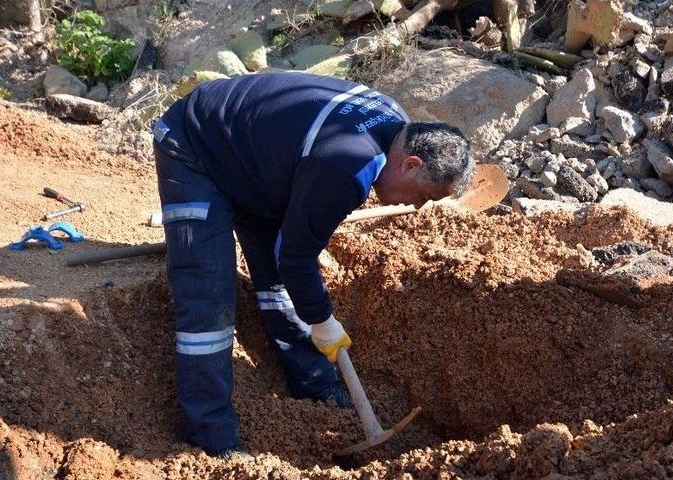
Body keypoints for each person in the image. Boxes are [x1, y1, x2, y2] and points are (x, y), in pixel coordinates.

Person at [152, 71, 474, 458]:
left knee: (278, 284)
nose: (417, 206)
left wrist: (316, 313)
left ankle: (317, 387)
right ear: (410, 164)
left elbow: (291, 254)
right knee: (208, 295)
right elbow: (298, 258)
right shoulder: (347, 168)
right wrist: (323, 322)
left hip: (259, 167)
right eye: (424, 194)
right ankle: (212, 436)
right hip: (195, 146)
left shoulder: (397, 126)